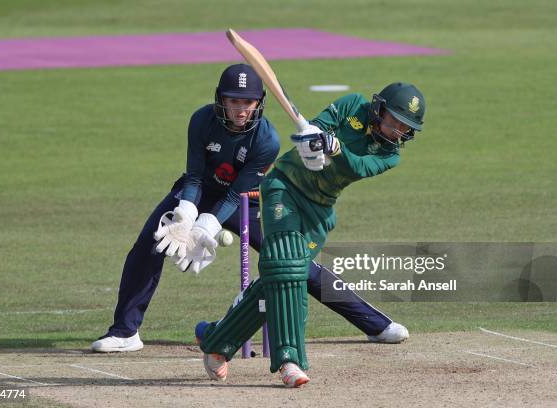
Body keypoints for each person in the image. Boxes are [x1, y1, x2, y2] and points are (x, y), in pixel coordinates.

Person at [91, 64, 408, 354]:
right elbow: (194, 174)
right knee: (149, 244)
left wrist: (207, 226)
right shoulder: (202, 120)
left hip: (247, 200)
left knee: (294, 264)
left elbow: (236, 194)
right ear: (221, 99)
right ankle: (124, 332)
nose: (240, 109)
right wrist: (187, 213)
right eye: (233, 101)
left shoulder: (266, 139)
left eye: (247, 102)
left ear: (259, 102)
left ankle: (375, 325)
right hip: (198, 192)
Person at [195, 82, 426, 387]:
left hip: (319, 210)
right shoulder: (352, 105)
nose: (396, 130)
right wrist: (312, 141)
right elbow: (317, 127)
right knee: (286, 268)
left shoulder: (389, 155)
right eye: (393, 120)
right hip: (284, 188)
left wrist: (335, 148)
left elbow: (356, 166)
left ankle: (217, 341)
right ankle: (290, 361)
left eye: (403, 127)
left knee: (287, 274)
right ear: (378, 108)